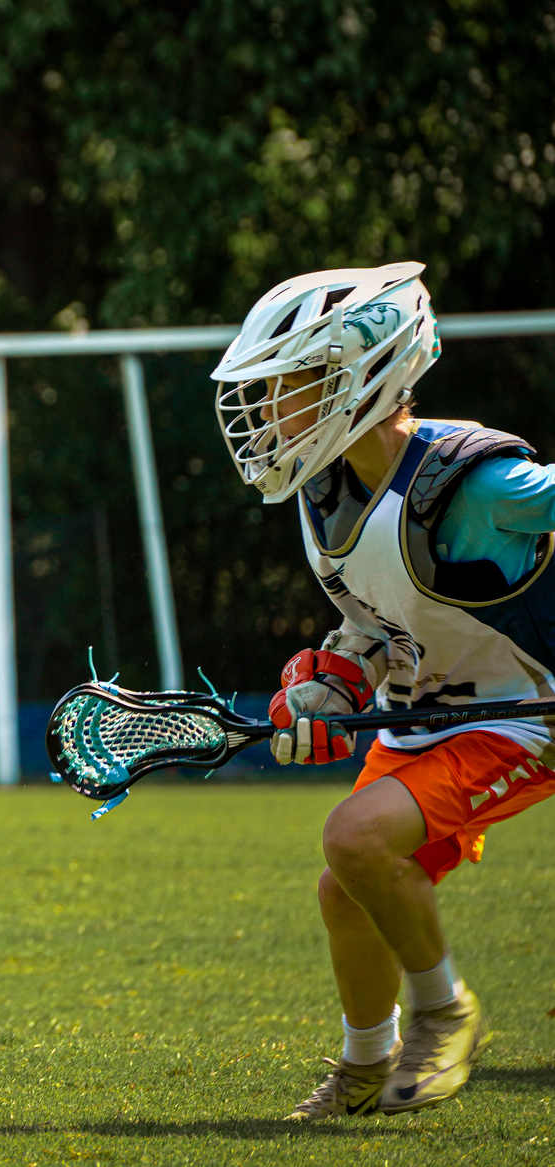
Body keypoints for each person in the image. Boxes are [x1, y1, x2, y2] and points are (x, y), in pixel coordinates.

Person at [210, 261, 555, 1121]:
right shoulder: (323, 484)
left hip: (520, 719)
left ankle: (445, 1014)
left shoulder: (475, 488)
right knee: (346, 887)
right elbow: (380, 619)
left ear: (360, 378)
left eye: (287, 388)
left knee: (354, 836)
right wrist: (337, 676)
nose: (268, 412)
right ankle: (367, 1065)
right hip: (421, 718)